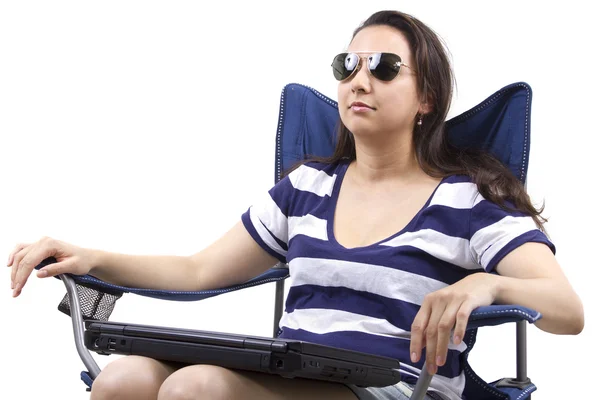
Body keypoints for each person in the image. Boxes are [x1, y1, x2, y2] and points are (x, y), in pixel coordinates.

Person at [6, 9, 584, 400]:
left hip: (398, 386)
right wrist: (89, 257)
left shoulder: (468, 198)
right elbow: (197, 271)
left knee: (194, 389)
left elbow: (566, 309)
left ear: (426, 98)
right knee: (121, 380)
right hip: (296, 368)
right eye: (347, 66)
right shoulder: (307, 187)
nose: (360, 80)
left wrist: (484, 285)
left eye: (384, 67)